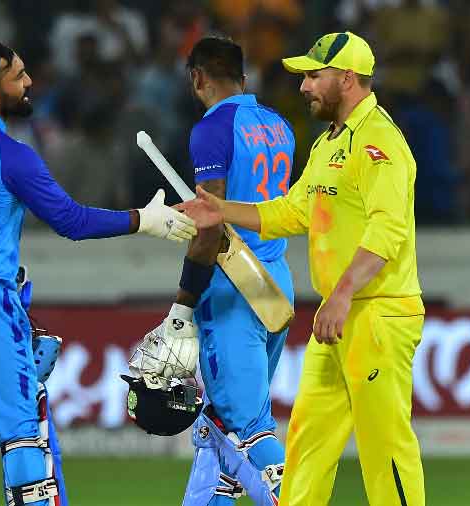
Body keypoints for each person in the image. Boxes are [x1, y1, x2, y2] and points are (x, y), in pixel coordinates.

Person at [0, 41, 196, 506]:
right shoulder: (12, 155)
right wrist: (144, 220)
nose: (29, 81)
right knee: (22, 435)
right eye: (17, 76)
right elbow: (71, 221)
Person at [177, 32, 426, 506]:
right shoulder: (329, 143)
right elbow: (290, 212)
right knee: (307, 447)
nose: (304, 87)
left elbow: (387, 231)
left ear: (346, 78)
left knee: (385, 447)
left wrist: (342, 293)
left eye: (314, 76)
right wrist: (220, 210)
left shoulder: (378, 142)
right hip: (339, 318)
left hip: (378, 315)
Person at [144, 37, 295, 506]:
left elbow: (211, 225)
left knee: (246, 426)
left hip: (233, 287)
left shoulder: (211, 129)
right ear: (243, 78)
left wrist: (183, 305)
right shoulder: (279, 126)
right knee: (221, 423)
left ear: (197, 77)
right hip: (274, 279)